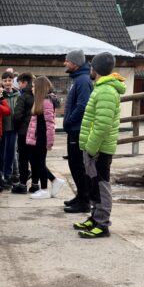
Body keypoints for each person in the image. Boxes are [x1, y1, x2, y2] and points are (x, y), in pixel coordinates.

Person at [74, 51, 123, 239]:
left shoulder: (106, 91)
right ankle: (95, 217)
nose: (90, 69)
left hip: (99, 149)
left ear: (96, 68)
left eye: (91, 66)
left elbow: (102, 125)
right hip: (95, 147)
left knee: (101, 186)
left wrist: (91, 148)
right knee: (93, 184)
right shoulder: (101, 88)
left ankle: (102, 225)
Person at [61, 50, 94, 214]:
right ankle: (80, 196)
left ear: (75, 63)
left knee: (78, 165)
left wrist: (69, 121)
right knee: (73, 164)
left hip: (78, 129)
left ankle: (84, 200)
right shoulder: (78, 79)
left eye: (67, 61)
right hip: (74, 129)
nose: (65, 63)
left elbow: (82, 105)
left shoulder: (82, 80)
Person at [24, 76, 64, 199]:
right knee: (37, 162)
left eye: (33, 86)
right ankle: (54, 181)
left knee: (40, 163)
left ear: (39, 88)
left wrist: (49, 142)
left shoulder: (46, 102)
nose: (32, 88)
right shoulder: (40, 101)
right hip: (37, 137)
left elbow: (50, 123)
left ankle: (45, 189)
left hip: (42, 138)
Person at [11, 73, 35, 194]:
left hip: (24, 132)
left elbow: (18, 115)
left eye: (19, 83)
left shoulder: (23, 96)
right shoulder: (38, 95)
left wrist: (16, 128)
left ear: (24, 83)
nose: (18, 85)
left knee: (23, 159)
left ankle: (23, 184)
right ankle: (35, 184)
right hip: (35, 132)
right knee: (34, 159)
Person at [0, 71, 19, 188]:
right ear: (2, 81)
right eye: (5, 80)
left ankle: (8, 175)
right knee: (2, 153)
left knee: (11, 153)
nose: (7, 83)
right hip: (3, 128)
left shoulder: (17, 94)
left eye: (9, 80)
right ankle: (1, 176)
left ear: (12, 81)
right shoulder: (0, 95)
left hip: (14, 128)